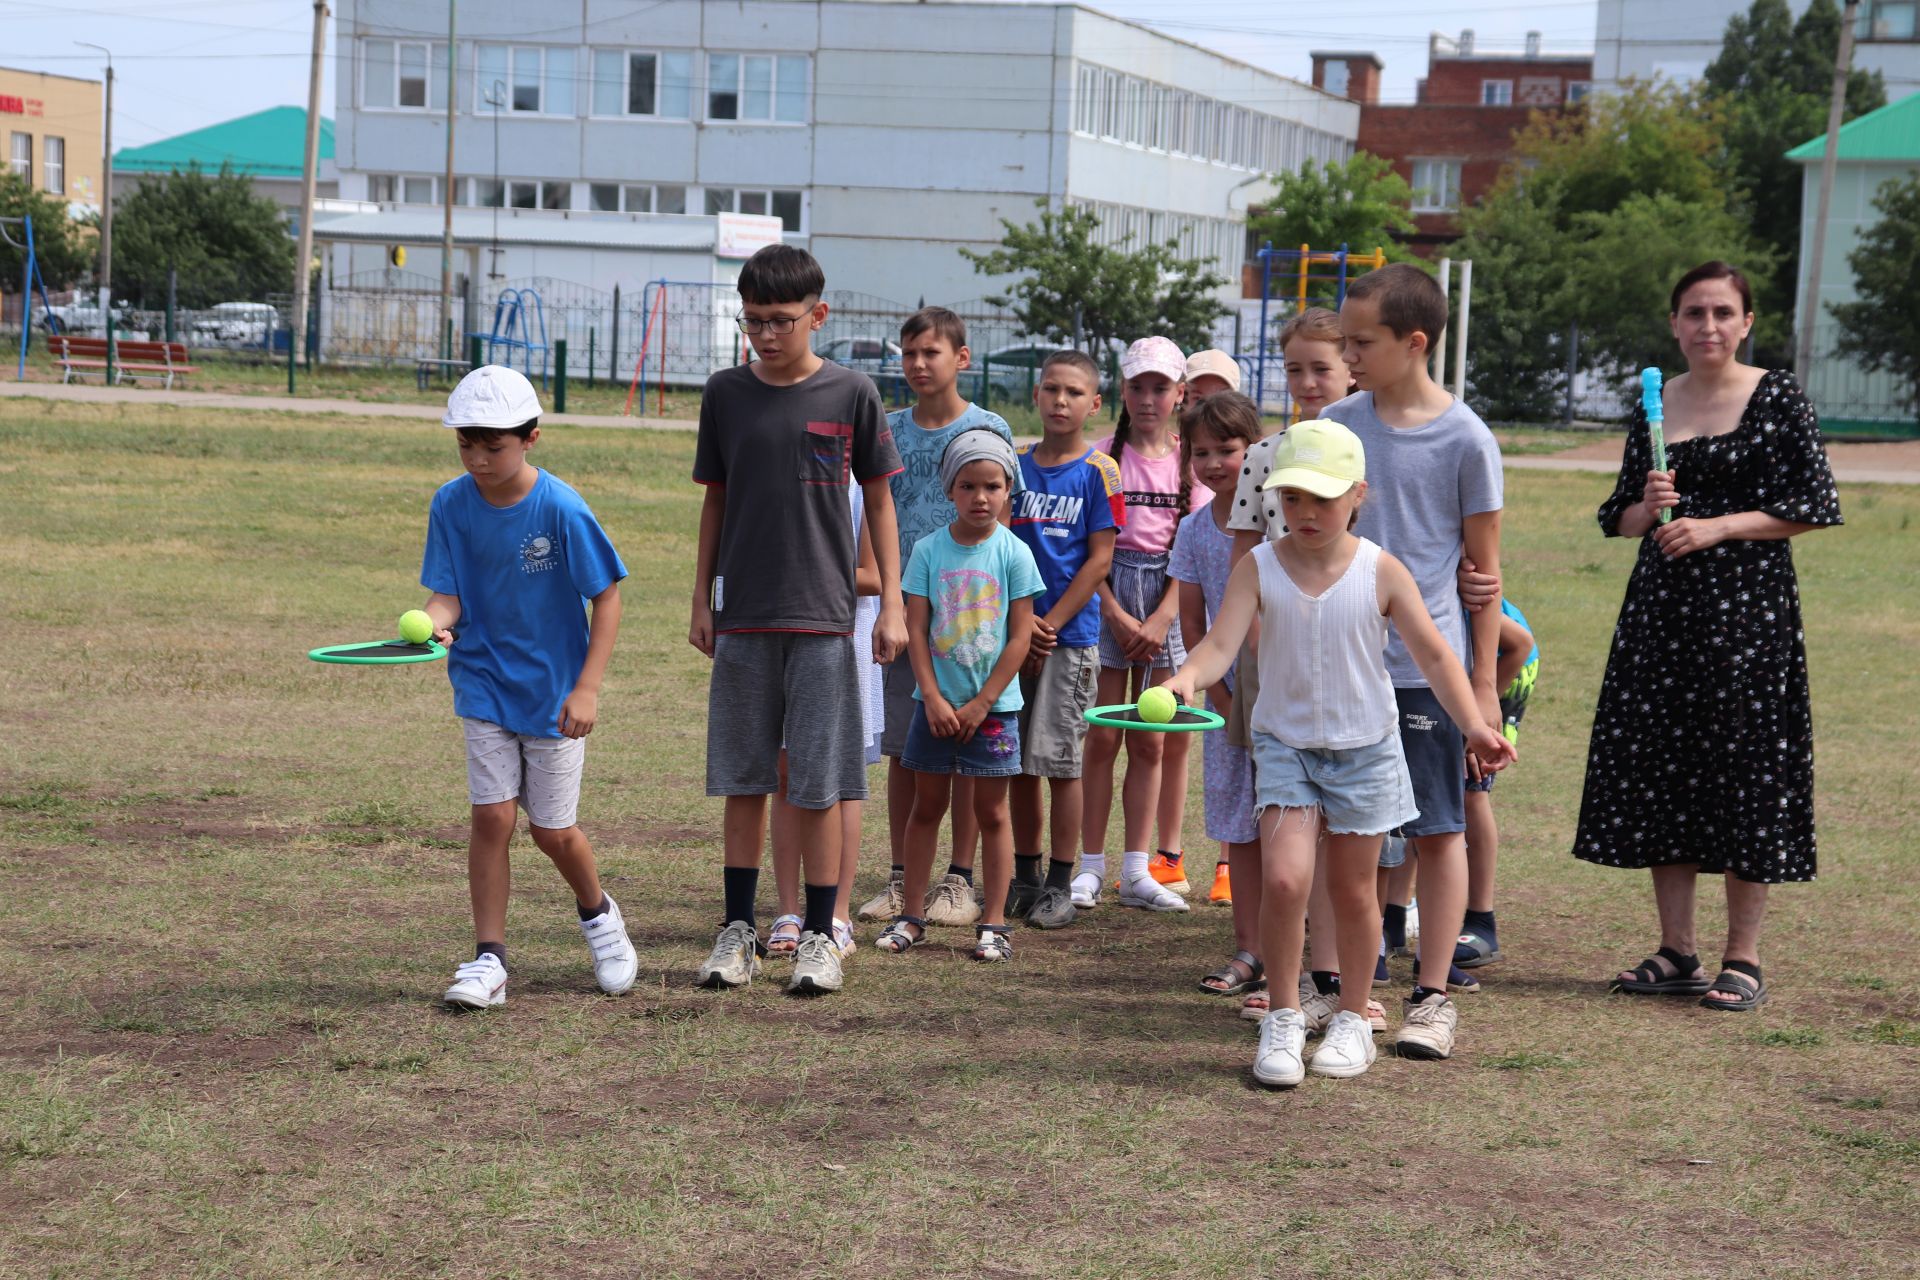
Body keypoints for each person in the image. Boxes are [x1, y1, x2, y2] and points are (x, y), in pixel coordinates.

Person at [1165, 420, 1515, 1086]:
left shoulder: (1381, 569)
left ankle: (1354, 1016)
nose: (1305, 513)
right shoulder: (1258, 566)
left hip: (1366, 750)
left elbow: (1436, 655)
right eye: (1291, 498)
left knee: (1355, 890)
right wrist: (1187, 677)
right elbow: (1219, 644)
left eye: (1322, 499)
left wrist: (1473, 722)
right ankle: (1286, 1017)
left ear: (1357, 495)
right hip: (1285, 746)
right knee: (1288, 879)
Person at [1577, 260, 1841, 1012]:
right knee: (1669, 768)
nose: (1709, 326)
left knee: (1746, 772)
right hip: (1664, 617)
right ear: (1674, 324)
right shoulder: (1657, 409)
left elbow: (1812, 503)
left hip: (1750, 617)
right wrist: (1647, 505)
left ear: (1747, 321)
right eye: (1694, 313)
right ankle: (1677, 949)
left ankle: (1743, 957)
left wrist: (1718, 525)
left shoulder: (1777, 395)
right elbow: (1622, 517)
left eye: (1724, 312)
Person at [689, 244, 906, 996]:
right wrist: (702, 600)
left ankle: (819, 934)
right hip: (744, 618)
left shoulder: (852, 393)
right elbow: (715, 499)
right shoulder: (724, 394)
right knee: (745, 779)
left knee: (817, 782)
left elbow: (880, 501)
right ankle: (739, 931)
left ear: (818, 314)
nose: (766, 335)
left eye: (781, 321)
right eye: (753, 321)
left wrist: (893, 609)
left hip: (825, 621)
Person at [1318, 263, 1506, 1062]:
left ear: (1414, 342)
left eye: (1362, 342)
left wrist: (1484, 689)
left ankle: (1432, 999)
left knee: (1439, 832)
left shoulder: (1467, 439)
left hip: (1426, 674)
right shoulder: (1334, 423)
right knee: (1338, 831)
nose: (1348, 354)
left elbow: (1483, 577)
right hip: (1341, 669)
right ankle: (1329, 990)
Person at [422, 365, 635, 1011]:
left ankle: (599, 917)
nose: (479, 459)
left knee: (552, 830)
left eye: (495, 446)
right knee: (492, 817)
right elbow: (447, 597)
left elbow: (608, 597)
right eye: (467, 444)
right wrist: (432, 626)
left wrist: (588, 688)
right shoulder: (450, 504)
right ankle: (489, 960)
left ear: (531, 438)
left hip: (552, 693)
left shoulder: (561, 508)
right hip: (484, 680)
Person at [858, 307, 1020, 931]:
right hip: (908, 615)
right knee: (909, 749)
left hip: (976, 617)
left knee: (975, 760)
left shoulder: (990, 428)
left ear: (962, 358)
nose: (919, 365)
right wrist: (891, 607)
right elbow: (877, 516)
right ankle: (904, 880)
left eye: (931, 352)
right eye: (908, 353)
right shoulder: (886, 428)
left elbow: (1010, 524)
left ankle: (960, 881)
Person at [876, 430, 1046, 961]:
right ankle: (911, 915)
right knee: (926, 808)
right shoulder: (927, 551)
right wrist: (931, 696)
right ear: (950, 490)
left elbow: (1021, 637)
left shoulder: (1015, 553)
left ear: (1007, 491)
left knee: (993, 814)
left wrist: (982, 702)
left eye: (992, 486)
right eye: (968, 485)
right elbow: (917, 630)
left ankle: (993, 923)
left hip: (994, 712)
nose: (980, 497)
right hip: (935, 709)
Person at [1077, 336, 1212, 913]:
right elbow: (1092, 548)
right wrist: (1112, 608)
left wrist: (1160, 618)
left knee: (1151, 740)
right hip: (1108, 598)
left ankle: (1138, 870)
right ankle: (1087, 866)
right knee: (1103, 735)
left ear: (1181, 394)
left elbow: (1195, 552)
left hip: (1168, 602)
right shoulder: (1102, 458)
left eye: (1161, 388)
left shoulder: (1190, 463)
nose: (1149, 398)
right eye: (1138, 387)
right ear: (1123, 391)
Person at [1006, 350, 1121, 931]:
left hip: (1067, 640)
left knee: (1060, 763)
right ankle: (1023, 876)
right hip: (1012, 638)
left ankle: (1059, 881)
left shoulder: (1100, 472)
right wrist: (1019, 625)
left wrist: (1048, 624)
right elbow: (998, 549)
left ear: (1094, 404)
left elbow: (1099, 561)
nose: (1060, 400)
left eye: (1074, 392)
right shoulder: (1015, 466)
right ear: (1036, 394)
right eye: (1051, 389)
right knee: (1018, 765)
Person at [1169, 392, 1265, 989]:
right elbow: (1193, 627)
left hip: (1287, 700)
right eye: (1199, 452)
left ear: (1255, 449)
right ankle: (1249, 950)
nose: (1212, 463)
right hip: (1226, 699)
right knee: (1242, 832)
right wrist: (1226, 704)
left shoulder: (1286, 520)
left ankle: (1309, 954)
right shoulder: (1193, 530)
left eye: (1226, 450)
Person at [768, 489, 885, 960]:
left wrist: (796, 576)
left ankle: (836, 915)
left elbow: (873, 576)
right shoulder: (775, 467)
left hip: (842, 637)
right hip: (778, 633)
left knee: (841, 783)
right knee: (785, 772)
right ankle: (788, 911)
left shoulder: (863, 485)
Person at [1451, 598, 1538, 975]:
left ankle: (1481, 920)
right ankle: (1394, 915)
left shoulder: (1454, 590)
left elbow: (1520, 644)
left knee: (1471, 788)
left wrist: (1476, 718)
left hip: (1503, 670)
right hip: (1448, 676)